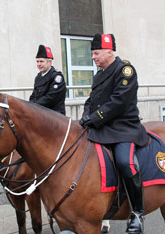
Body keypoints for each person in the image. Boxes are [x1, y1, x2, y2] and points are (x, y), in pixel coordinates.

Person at [79, 33, 148, 234]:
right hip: (102, 126)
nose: (93, 57)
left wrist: (94, 118)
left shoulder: (125, 70)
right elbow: (91, 100)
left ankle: (137, 212)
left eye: (96, 53)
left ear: (109, 51)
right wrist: (85, 116)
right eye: (92, 53)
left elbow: (119, 102)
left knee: (125, 162)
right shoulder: (99, 74)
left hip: (123, 128)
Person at [29, 44, 67, 115]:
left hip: (54, 116)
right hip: (41, 113)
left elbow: (51, 98)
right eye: (37, 61)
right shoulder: (38, 77)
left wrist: (34, 106)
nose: (39, 64)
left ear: (49, 62)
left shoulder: (57, 77)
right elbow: (34, 95)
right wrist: (30, 105)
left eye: (41, 61)